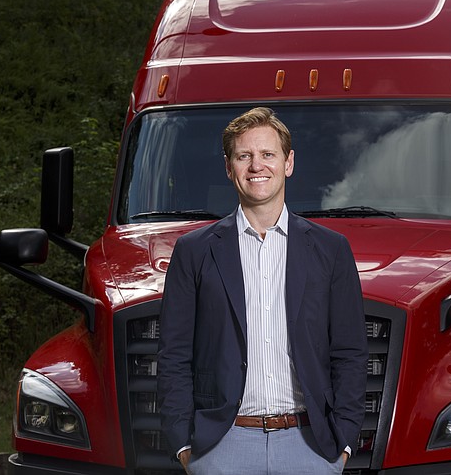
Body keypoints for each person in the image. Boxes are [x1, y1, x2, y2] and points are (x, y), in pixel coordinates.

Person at [157, 107, 368, 474]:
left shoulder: (331, 250)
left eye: (268, 154)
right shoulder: (194, 251)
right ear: (229, 167)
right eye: (244, 156)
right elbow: (174, 355)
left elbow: (350, 352)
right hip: (222, 448)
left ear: (288, 163)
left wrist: (343, 442)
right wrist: (184, 446)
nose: (257, 166)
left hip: (310, 448)